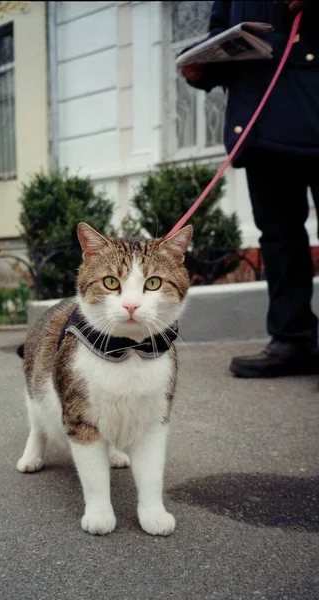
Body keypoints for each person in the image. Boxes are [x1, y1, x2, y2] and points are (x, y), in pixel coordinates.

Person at [179, 0, 319, 378]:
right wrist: (200, 70)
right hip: (260, 123)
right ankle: (293, 339)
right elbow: (222, 35)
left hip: (312, 100)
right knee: (278, 237)